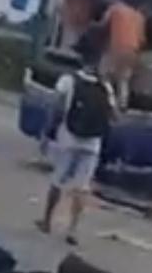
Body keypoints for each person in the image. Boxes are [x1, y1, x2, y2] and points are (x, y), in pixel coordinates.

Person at [36, 35, 115, 245]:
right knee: (82, 187)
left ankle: (46, 221)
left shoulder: (68, 80)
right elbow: (113, 116)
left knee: (58, 180)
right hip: (93, 143)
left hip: (69, 137)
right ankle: (73, 230)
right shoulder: (105, 87)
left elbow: (57, 108)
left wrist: (47, 132)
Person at [100, 0, 145, 109]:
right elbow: (142, 39)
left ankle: (109, 100)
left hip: (118, 47)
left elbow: (102, 24)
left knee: (103, 73)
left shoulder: (115, 8)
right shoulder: (140, 17)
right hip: (133, 51)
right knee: (124, 79)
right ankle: (122, 105)